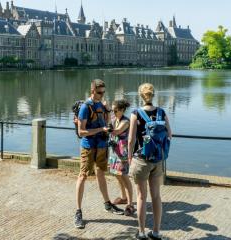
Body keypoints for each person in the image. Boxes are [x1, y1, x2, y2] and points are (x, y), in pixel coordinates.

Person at [74, 79, 124, 229]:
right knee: (82, 176)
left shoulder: (102, 105)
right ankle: (78, 211)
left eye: (104, 92)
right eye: (100, 92)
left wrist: (108, 111)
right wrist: (99, 130)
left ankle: (107, 204)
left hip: (102, 146)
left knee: (101, 173)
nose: (102, 95)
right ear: (93, 90)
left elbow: (107, 124)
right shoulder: (85, 107)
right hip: (88, 147)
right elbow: (81, 132)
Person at [128, 83, 172, 240]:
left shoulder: (135, 114)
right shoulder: (161, 112)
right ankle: (156, 232)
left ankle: (141, 232)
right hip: (157, 161)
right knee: (156, 196)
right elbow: (169, 135)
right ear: (153, 95)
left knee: (141, 197)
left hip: (141, 159)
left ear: (140, 95)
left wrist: (129, 157)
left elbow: (131, 140)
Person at [108, 99, 135, 216]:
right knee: (116, 174)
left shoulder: (126, 121)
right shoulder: (115, 119)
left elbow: (116, 132)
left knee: (124, 176)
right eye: (112, 110)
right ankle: (123, 197)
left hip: (123, 153)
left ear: (122, 110)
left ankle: (130, 204)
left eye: (115, 110)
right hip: (114, 152)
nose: (113, 112)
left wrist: (106, 126)